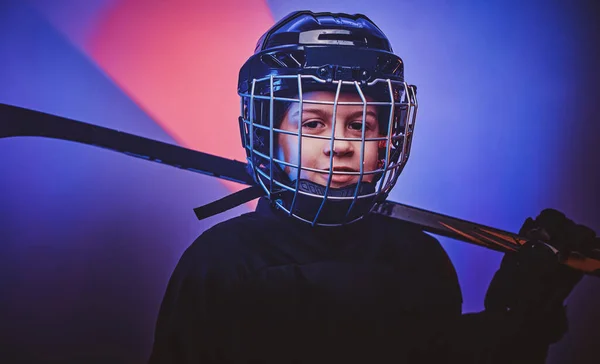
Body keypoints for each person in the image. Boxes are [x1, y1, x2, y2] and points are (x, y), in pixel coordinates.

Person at [148, 10, 598, 363]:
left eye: (361, 124)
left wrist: (516, 320)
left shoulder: (419, 258)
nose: (340, 145)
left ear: (388, 138)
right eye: (313, 123)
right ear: (268, 136)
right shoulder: (220, 264)